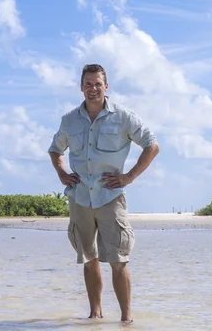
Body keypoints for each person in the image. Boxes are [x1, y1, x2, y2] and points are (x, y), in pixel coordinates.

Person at [48, 63, 160, 323]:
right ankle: (95, 317)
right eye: (88, 84)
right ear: (81, 87)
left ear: (106, 87)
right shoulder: (69, 119)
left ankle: (126, 320)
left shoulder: (123, 117)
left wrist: (129, 176)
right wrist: (62, 173)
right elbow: (55, 149)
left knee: (119, 260)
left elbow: (152, 146)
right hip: (79, 198)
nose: (93, 88)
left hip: (110, 196)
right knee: (89, 259)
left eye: (98, 84)